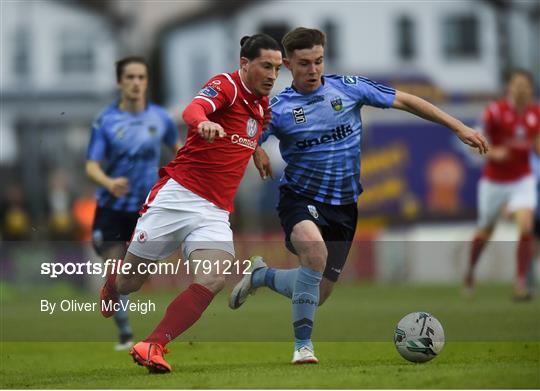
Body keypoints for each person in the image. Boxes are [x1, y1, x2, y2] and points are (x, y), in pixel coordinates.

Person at [229, 27, 489, 364]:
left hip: (345, 206)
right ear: (289, 65)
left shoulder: (348, 88)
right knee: (313, 249)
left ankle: (262, 276)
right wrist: (255, 151)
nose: (313, 70)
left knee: (317, 293)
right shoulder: (278, 108)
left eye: (319, 61)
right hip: (299, 197)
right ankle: (303, 347)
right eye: (304, 63)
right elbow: (247, 133)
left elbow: (406, 100)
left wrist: (459, 127)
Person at [98, 34, 282, 373]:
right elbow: (192, 109)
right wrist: (204, 122)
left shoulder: (262, 106)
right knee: (130, 283)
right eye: (266, 66)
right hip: (177, 196)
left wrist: (256, 151)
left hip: (214, 212)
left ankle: (153, 344)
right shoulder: (225, 86)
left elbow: (247, 132)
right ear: (245, 64)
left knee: (213, 279)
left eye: (277, 68)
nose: (273, 75)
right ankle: (113, 281)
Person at [86, 56, 180, 350]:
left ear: (147, 81)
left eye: (141, 77)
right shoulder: (106, 120)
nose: (136, 83)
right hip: (111, 208)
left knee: (136, 276)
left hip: (145, 209)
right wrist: (109, 182)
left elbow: (178, 152)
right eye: (130, 77)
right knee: (114, 265)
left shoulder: (161, 119)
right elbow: (91, 165)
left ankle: (119, 307)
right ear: (119, 82)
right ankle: (125, 331)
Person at [464, 69, 540, 300]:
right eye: (517, 85)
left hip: (522, 179)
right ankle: (470, 271)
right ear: (509, 87)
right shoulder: (495, 112)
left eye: (525, 85)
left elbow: (536, 144)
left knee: (526, 227)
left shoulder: (535, 113)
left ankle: (520, 283)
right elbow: (473, 142)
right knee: (486, 230)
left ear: (531, 89)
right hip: (494, 181)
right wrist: (494, 153)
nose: (521, 89)